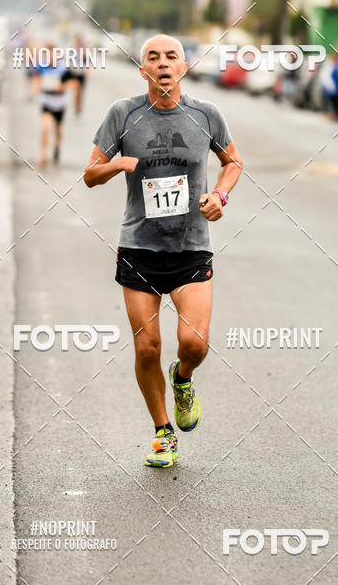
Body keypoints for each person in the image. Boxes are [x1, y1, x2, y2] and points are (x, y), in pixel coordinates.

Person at [84, 34, 242, 468]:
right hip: (139, 247)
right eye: (153, 57)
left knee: (192, 343)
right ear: (143, 71)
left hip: (191, 246)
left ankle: (184, 378)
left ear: (184, 67)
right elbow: (90, 174)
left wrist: (220, 197)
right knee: (148, 346)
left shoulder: (206, 115)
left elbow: (233, 163)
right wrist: (115, 163)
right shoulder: (123, 114)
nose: (163, 63)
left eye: (171, 56)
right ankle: (162, 433)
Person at [34, 42, 71, 166]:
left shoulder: (63, 69)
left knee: (58, 129)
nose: (49, 58)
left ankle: (57, 146)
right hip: (47, 103)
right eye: (47, 55)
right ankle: (43, 154)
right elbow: (36, 80)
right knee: (45, 127)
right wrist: (37, 88)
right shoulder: (41, 67)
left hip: (60, 104)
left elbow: (75, 83)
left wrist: (62, 87)